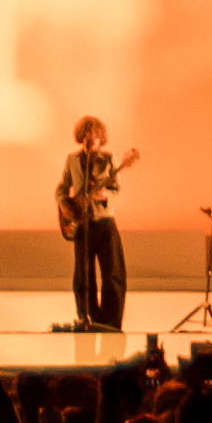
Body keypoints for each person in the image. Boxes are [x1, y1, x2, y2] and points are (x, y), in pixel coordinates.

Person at [56, 116, 135, 329]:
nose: (90, 141)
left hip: (105, 223)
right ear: (81, 138)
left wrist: (105, 195)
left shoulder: (109, 159)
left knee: (113, 274)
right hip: (83, 226)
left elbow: (117, 191)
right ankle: (87, 318)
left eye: (94, 138)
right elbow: (63, 187)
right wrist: (63, 204)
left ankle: (111, 322)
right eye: (86, 137)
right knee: (83, 276)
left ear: (101, 139)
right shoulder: (72, 159)